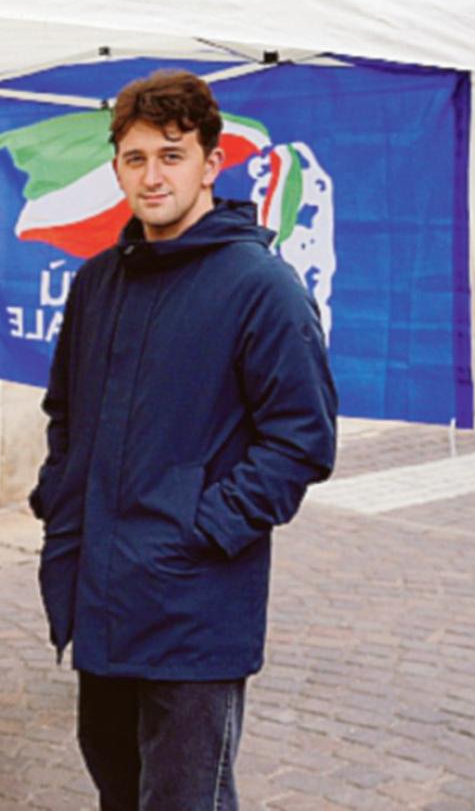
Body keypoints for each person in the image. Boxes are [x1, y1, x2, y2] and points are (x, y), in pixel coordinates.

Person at [30, 71, 337, 810]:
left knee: (184, 798)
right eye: (135, 158)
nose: (152, 174)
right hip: (99, 592)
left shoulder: (261, 286)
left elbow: (303, 439)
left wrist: (202, 526)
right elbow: (66, 411)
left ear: (211, 162)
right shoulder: (98, 280)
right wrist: (60, 499)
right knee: (116, 782)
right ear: (117, 171)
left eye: (171, 154)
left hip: (194, 601)